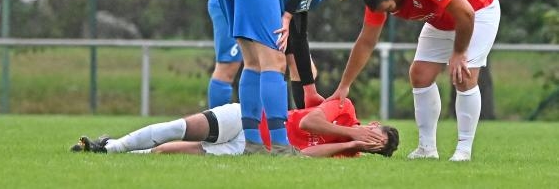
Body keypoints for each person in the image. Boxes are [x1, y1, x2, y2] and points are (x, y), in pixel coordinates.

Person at [328, 0, 500, 162]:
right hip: (441, 18)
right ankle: (427, 149)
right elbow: (366, 42)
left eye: (389, 9)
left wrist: (459, 52)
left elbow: (465, 13)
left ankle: (464, 149)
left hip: (477, 10)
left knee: (463, 76)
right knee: (419, 75)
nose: (388, 14)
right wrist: (344, 85)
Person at [213, 0, 368, 155]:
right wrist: (286, 16)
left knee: (254, 62)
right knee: (275, 63)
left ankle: (253, 144)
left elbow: (299, 35)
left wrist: (309, 88)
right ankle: (280, 145)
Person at [70, 99, 399, 158]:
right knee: (180, 128)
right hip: (249, 119)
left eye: (374, 145)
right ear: (372, 125)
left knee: (165, 152)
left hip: (249, 148)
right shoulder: (346, 110)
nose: (368, 139)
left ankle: (115, 147)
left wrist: (348, 147)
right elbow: (310, 121)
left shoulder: (347, 153)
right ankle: (107, 148)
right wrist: (352, 133)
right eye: (373, 134)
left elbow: (303, 154)